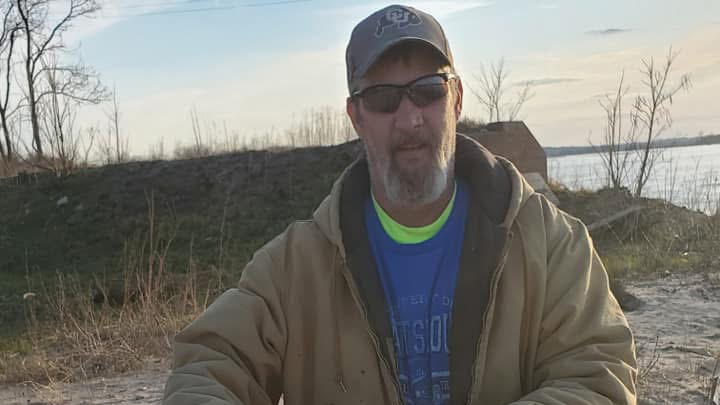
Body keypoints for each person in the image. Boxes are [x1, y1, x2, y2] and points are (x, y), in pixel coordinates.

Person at [163, 4, 637, 405]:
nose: (410, 119)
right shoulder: (294, 267)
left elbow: (599, 375)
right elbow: (207, 367)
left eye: (428, 91)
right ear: (356, 117)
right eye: (384, 98)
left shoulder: (550, 243)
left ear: (456, 99)